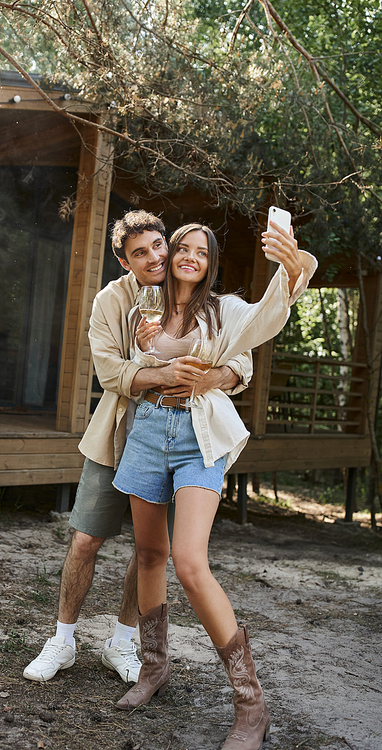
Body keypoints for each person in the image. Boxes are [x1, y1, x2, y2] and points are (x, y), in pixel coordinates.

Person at [23, 211, 253, 686]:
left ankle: (124, 643)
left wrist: (212, 377)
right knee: (86, 538)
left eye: (159, 246)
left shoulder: (200, 297)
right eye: (140, 253)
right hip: (118, 434)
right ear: (122, 261)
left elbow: (239, 360)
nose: (156, 257)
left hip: (179, 439)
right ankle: (62, 640)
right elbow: (109, 373)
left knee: (151, 552)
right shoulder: (112, 301)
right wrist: (160, 372)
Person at [111, 221, 317, 750]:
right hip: (148, 428)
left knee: (189, 561)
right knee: (149, 553)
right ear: (170, 253)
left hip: (198, 436)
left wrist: (291, 266)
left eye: (202, 252)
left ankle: (251, 702)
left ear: (210, 263)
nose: (190, 256)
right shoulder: (144, 309)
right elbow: (131, 362)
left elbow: (267, 316)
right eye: (183, 247)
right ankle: (153, 667)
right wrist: (145, 347)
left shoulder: (224, 310)